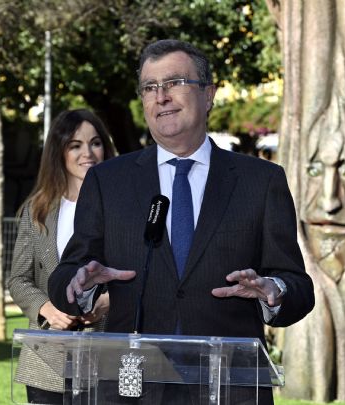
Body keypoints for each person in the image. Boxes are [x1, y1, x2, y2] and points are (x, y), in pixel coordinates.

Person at [48, 39, 315, 404]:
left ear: (209, 95)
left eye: (174, 83)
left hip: (229, 387)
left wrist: (273, 290)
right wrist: (81, 284)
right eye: (150, 88)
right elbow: (65, 275)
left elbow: (299, 287)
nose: (161, 97)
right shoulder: (108, 181)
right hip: (132, 386)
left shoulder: (261, 181)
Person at [8, 109, 116, 404]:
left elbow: (142, 273)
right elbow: (18, 279)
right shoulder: (37, 210)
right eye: (75, 145)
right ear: (60, 152)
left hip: (106, 356)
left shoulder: (125, 209)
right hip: (46, 360)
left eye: (95, 143)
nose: (88, 153)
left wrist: (108, 302)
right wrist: (47, 309)